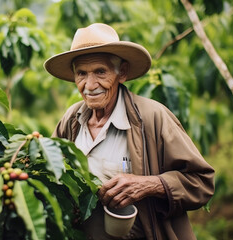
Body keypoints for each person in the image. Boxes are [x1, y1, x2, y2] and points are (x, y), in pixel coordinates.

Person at [44, 23, 215, 239]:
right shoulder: (72, 120)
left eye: (100, 72)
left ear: (121, 73)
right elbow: (52, 174)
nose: (90, 84)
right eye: (81, 73)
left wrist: (149, 184)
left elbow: (201, 182)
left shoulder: (152, 117)